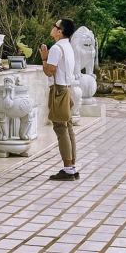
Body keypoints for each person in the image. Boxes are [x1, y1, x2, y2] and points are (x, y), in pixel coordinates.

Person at [40, 18, 78, 181]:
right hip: (68, 89)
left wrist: (44, 57)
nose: (52, 28)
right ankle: (71, 167)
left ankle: (68, 169)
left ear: (60, 31)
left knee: (61, 129)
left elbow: (50, 71)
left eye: (54, 26)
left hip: (59, 91)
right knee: (68, 128)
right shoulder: (68, 46)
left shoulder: (56, 48)